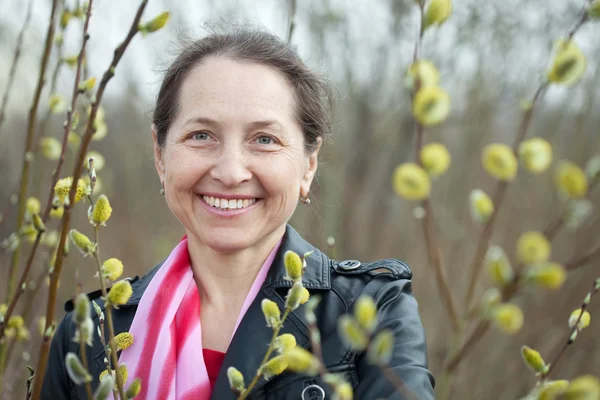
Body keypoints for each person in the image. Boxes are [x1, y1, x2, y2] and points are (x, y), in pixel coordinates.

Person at [42, 28, 435, 400]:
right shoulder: (90, 331)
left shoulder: (373, 313)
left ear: (308, 165)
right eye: (201, 136)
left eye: (264, 139)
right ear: (160, 156)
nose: (230, 172)